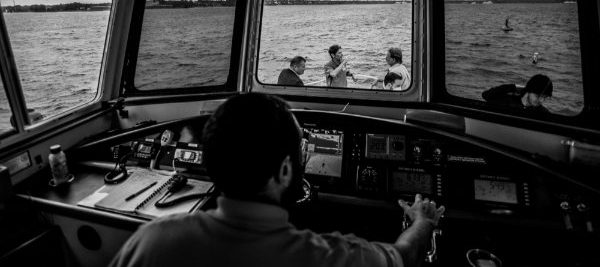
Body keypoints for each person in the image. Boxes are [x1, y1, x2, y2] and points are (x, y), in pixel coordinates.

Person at [110, 93, 444, 267]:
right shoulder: (334, 257)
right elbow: (405, 257)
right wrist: (423, 221)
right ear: (284, 172)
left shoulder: (152, 241)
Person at [482, 74, 553, 112]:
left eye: (545, 97)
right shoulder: (507, 100)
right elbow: (486, 95)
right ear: (529, 90)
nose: (541, 100)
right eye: (538, 96)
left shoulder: (543, 113)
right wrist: (514, 87)